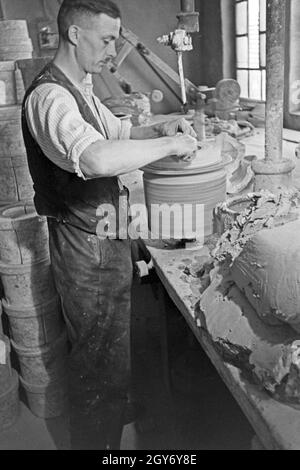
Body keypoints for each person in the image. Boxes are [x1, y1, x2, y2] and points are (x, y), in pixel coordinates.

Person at [22, 0, 197, 450]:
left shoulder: (81, 88)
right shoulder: (50, 97)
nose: (111, 51)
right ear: (75, 35)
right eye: (105, 40)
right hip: (82, 245)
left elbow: (116, 133)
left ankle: (112, 405)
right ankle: (96, 439)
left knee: (111, 344)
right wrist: (171, 147)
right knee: (95, 357)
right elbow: (96, 157)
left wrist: (162, 126)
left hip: (105, 229)